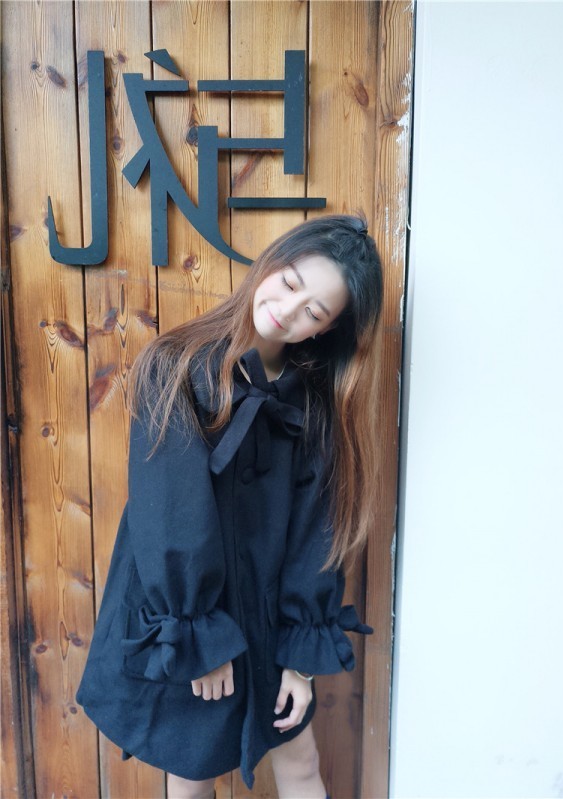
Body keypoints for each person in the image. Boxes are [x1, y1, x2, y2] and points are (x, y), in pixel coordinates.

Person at [76, 214, 384, 799]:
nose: (289, 310)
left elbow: (318, 531)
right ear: (271, 265)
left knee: (300, 762)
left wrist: (299, 658)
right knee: (193, 772)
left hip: (268, 616)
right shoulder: (177, 363)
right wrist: (197, 639)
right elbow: (168, 511)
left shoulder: (315, 402)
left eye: (314, 311)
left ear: (328, 329)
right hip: (191, 615)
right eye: (289, 284)